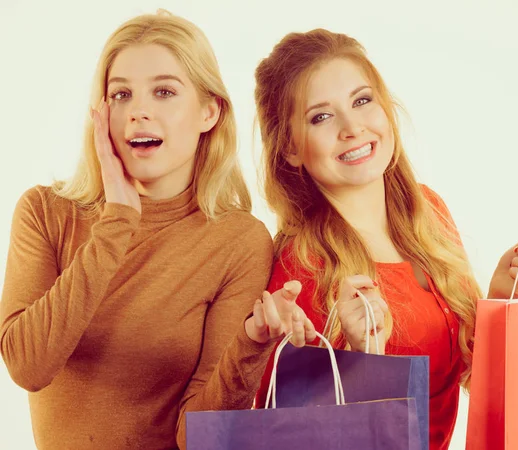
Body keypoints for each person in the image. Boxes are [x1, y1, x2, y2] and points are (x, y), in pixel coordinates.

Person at [0, 11, 315, 450]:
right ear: (101, 113)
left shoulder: (238, 240)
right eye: (121, 94)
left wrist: (251, 342)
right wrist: (116, 222)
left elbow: (198, 437)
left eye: (164, 91)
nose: (139, 111)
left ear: (209, 112)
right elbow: (28, 367)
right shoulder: (45, 212)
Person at [252, 29, 518, 449]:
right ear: (290, 147)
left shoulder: (426, 212)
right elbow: (286, 435)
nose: (352, 127)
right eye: (320, 116)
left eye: (362, 101)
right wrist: (363, 358)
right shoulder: (301, 264)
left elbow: (463, 373)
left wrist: (502, 296)